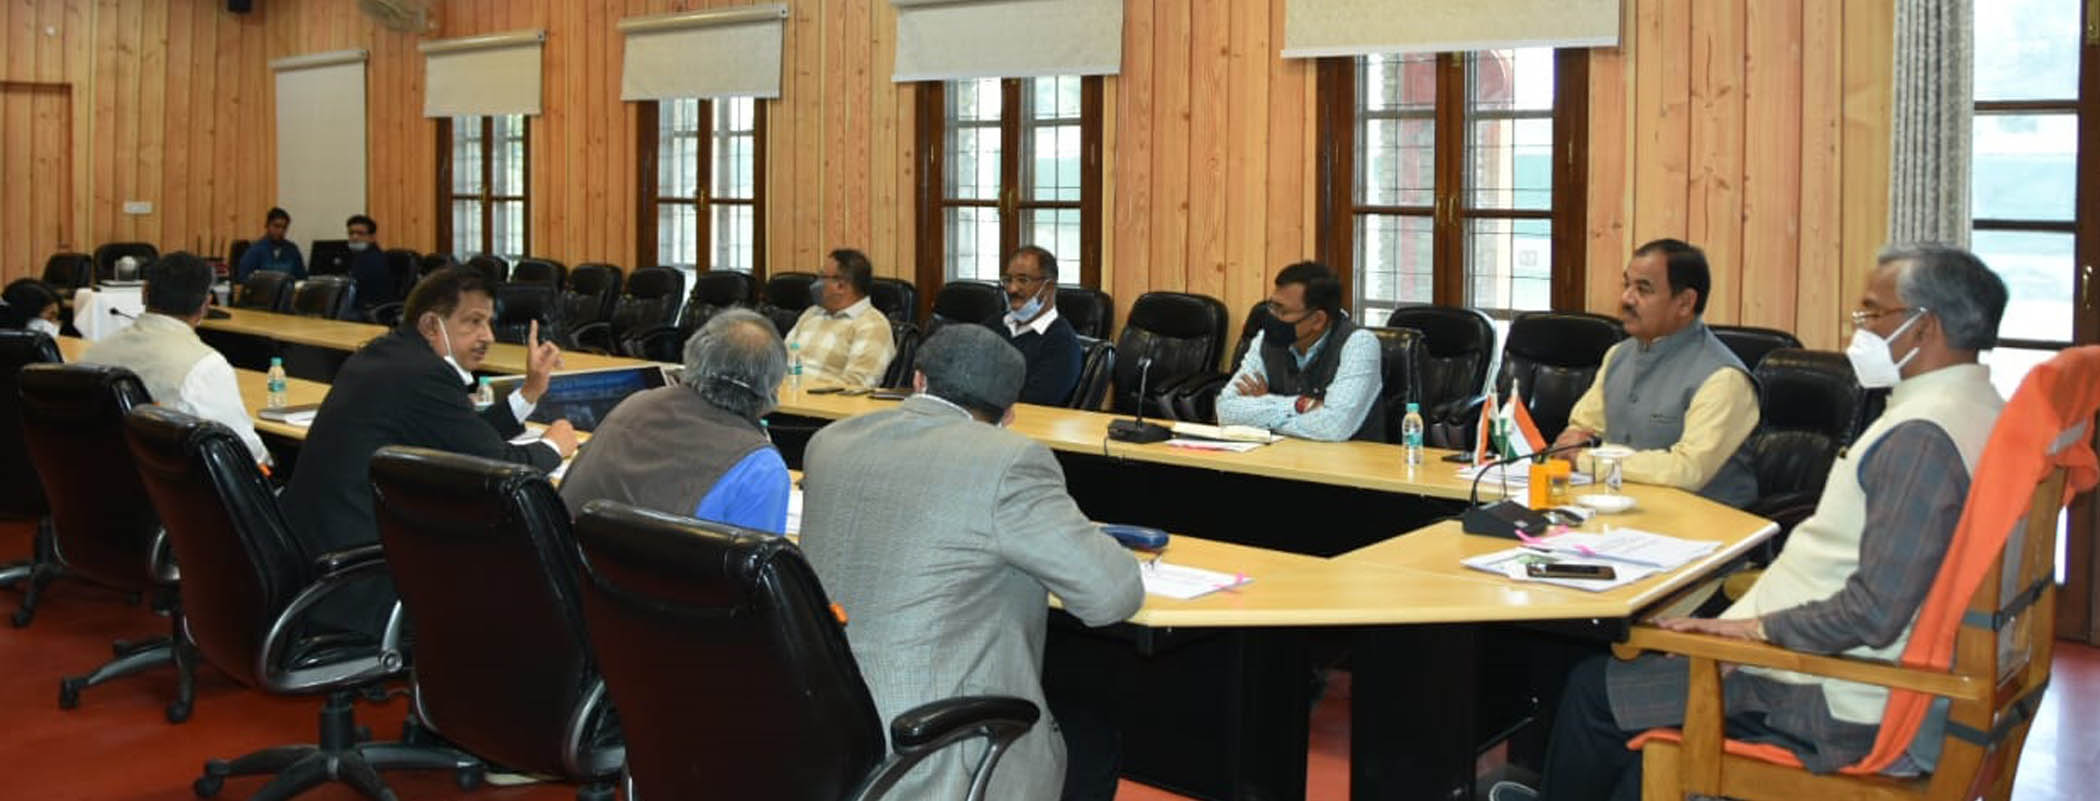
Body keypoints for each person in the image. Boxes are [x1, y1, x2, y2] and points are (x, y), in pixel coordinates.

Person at [1492, 244, 2009, 801]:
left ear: (1922, 327)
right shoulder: (1975, 411)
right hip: (1834, 665)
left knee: (1595, 692)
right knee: (1624, 709)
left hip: (1830, 692)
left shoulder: (1920, 438)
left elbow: (1875, 612)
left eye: (1872, 312)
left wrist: (1749, 632)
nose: (1858, 328)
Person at [798, 324, 1145, 801]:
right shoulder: (1009, 460)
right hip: (930, 744)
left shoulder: (830, 442)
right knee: (1092, 739)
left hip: (817, 720)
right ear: (1010, 411)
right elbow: (1112, 596)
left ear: (918, 380)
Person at [281, 266, 577, 634]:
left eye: (488, 323)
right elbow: (502, 466)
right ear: (431, 325)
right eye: (473, 322)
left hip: (316, 557)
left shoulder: (389, 356)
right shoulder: (423, 375)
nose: (487, 336)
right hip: (360, 583)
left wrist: (529, 392)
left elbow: (460, 435)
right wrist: (554, 446)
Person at [1552, 239, 1760, 507]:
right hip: (1619, 511)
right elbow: (1583, 428)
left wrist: (1587, 460)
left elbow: (1687, 470)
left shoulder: (1725, 378)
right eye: (1626, 285)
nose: (1626, 298)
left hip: (1704, 521)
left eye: (1643, 289)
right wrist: (1575, 444)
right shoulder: (1618, 355)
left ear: (1685, 303)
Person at [559, 309, 792, 533]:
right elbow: (758, 558)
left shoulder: (634, 405)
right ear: (773, 386)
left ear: (691, 357)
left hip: (571, 555)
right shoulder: (761, 467)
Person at [77, 252, 270, 465]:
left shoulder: (91, 356)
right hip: (169, 481)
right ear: (206, 304)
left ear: (144, 293)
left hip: (99, 476)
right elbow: (244, 451)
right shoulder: (206, 367)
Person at [1215, 261, 1385, 441]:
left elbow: (1334, 426)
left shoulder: (1359, 344)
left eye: (1282, 311)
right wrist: (1298, 405)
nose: (1272, 317)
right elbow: (1226, 411)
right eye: (1272, 306)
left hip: (1348, 457)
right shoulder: (1265, 339)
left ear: (1318, 320)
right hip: (1281, 455)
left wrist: (1261, 410)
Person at [783, 248, 895, 387]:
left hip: (821, 399)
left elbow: (856, 385)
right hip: (783, 394)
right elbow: (781, 360)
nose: (816, 284)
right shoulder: (812, 313)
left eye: (822, 277)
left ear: (840, 285)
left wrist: (802, 391)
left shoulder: (873, 325)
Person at [989, 245, 1082, 406]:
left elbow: (1033, 404)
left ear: (1048, 287)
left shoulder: (1062, 343)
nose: (1011, 289)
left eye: (1023, 280)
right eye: (1008, 280)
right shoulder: (994, 325)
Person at [235, 207, 306, 281]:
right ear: (267, 225)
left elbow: (302, 277)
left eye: (284, 227)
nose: (280, 231)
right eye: (276, 226)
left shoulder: (292, 250)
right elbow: (243, 278)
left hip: (287, 287)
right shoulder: (255, 250)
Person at [345, 214, 395, 314]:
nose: (354, 237)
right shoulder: (354, 256)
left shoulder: (375, 259)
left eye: (360, 233)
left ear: (372, 237)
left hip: (369, 310)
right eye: (351, 233)